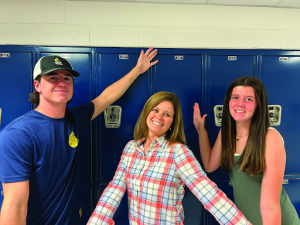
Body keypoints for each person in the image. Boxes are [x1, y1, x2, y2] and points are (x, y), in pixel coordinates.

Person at [0, 47, 158, 225]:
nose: (62, 83)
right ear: (38, 86)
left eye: (67, 78)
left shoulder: (74, 118)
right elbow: (15, 205)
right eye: (53, 78)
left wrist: (137, 70)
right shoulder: (17, 135)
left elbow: (106, 98)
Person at [87, 91, 251, 225]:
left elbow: (209, 194)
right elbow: (114, 189)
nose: (159, 117)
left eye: (167, 114)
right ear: (147, 113)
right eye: (156, 110)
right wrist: (95, 221)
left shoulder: (178, 152)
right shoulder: (131, 148)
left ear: (172, 123)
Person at [193, 76, 300, 225]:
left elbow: (270, 205)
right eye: (235, 97)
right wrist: (201, 131)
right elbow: (210, 165)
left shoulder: (270, 138)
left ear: (258, 105)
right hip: (245, 220)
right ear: (228, 102)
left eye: (249, 99)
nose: (240, 104)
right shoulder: (226, 133)